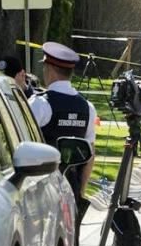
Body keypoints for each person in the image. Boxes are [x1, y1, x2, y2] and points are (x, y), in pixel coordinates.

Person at [28, 42, 96, 199]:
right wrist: (81, 191)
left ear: (49, 69)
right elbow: (90, 154)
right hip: (71, 190)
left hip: (42, 192)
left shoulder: (40, 104)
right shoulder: (87, 107)